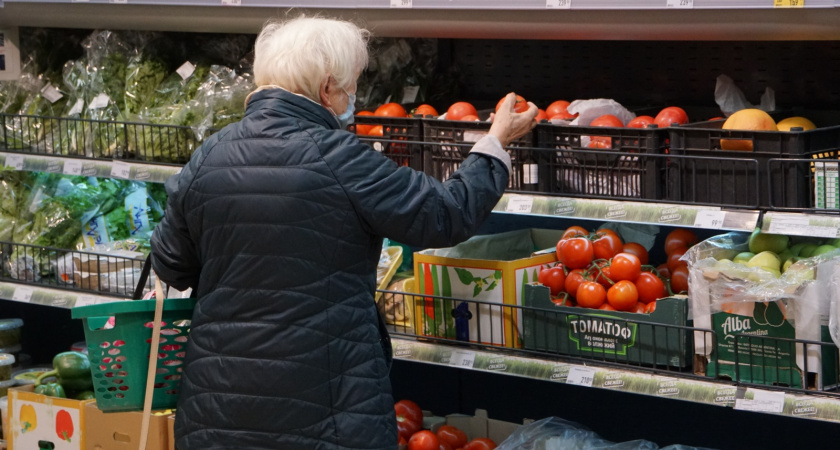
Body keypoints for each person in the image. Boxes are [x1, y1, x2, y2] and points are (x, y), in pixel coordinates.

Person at [150, 15, 537, 450]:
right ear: (326, 88)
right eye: (351, 86)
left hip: (216, 410)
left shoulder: (208, 155)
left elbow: (171, 264)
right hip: (324, 411)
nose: (353, 97)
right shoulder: (339, 157)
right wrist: (495, 142)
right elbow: (445, 214)